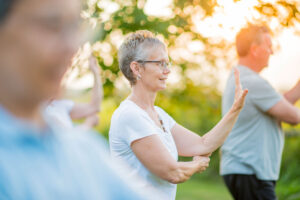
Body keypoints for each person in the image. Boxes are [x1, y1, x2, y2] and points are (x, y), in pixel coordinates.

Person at [0, 0, 145, 199]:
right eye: (52, 25)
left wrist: (95, 74)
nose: (71, 47)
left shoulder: (85, 149)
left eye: (75, 26)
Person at [109, 30, 248, 200]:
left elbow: (202, 145)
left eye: (167, 63)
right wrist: (196, 165)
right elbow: (172, 172)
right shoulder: (130, 115)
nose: (167, 70)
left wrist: (235, 110)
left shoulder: (159, 114)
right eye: (160, 63)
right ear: (136, 68)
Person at [220, 24, 300, 200]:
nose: (272, 51)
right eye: (268, 45)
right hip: (249, 172)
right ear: (255, 49)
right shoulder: (251, 81)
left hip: (245, 171)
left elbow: (281, 104)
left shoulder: (242, 77)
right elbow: (293, 116)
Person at [46, 55, 103, 130]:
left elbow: (94, 107)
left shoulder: (59, 104)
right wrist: (88, 124)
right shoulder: (39, 111)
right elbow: (67, 138)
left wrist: (95, 72)